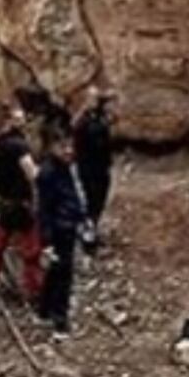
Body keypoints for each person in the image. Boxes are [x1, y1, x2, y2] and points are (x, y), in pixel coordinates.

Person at [0, 107, 41, 307]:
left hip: (5, 203)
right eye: (20, 118)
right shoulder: (19, 146)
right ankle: (35, 293)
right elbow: (31, 173)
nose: (24, 121)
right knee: (31, 251)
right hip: (21, 204)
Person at [36, 137, 88, 339]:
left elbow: (74, 195)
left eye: (71, 146)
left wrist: (82, 216)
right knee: (63, 275)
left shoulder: (66, 168)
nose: (68, 151)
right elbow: (44, 210)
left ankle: (45, 310)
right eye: (63, 146)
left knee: (55, 272)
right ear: (52, 147)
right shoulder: (48, 173)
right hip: (58, 230)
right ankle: (60, 321)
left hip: (67, 225)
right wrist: (46, 240)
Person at [71, 88, 116, 246]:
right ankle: (87, 233)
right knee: (91, 199)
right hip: (88, 166)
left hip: (101, 165)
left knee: (100, 199)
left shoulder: (100, 117)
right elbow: (76, 129)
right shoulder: (84, 120)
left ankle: (93, 228)